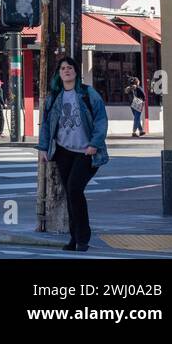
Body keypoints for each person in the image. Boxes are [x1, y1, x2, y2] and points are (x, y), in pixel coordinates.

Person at [38, 55, 110, 252]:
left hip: (86, 152)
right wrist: (43, 147)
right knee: (71, 194)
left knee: (74, 190)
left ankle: (82, 238)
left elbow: (101, 119)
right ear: (58, 74)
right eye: (62, 68)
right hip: (64, 151)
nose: (66, 71)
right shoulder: (54, 97)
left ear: (76, 72)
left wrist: (95, 144)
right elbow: (45, 125)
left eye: (70, 67)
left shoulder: (88, 94)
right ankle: (75, 238)